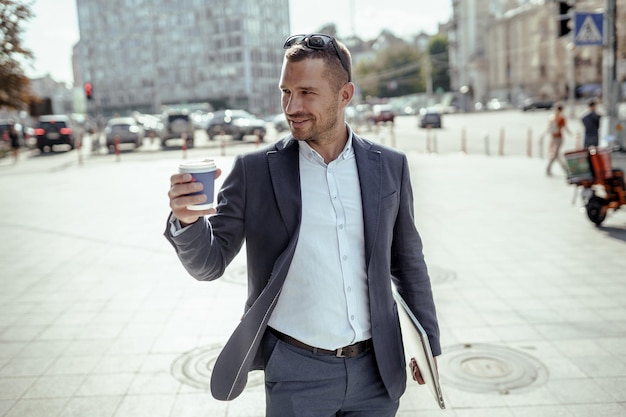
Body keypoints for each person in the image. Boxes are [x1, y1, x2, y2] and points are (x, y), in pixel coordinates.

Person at [165, 33, 440, 416]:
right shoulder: (255, 171)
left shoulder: (389, 166)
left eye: (307, 92)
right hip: (296, 374)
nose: (292, 106)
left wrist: (428, 345)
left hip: (378, 373)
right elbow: (208, 264)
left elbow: (408, 262)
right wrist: (187, 221)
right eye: (285, 92)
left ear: (345, 95)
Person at [545, 103, 571, 176]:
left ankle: (565, 170)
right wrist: (570, 133)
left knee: (557, 154)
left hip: (553, 137)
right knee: (556, 154)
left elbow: (548, 128)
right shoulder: (561, 118)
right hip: (558, 137)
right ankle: (549, 168)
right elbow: (565, 127)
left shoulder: (551, 117)